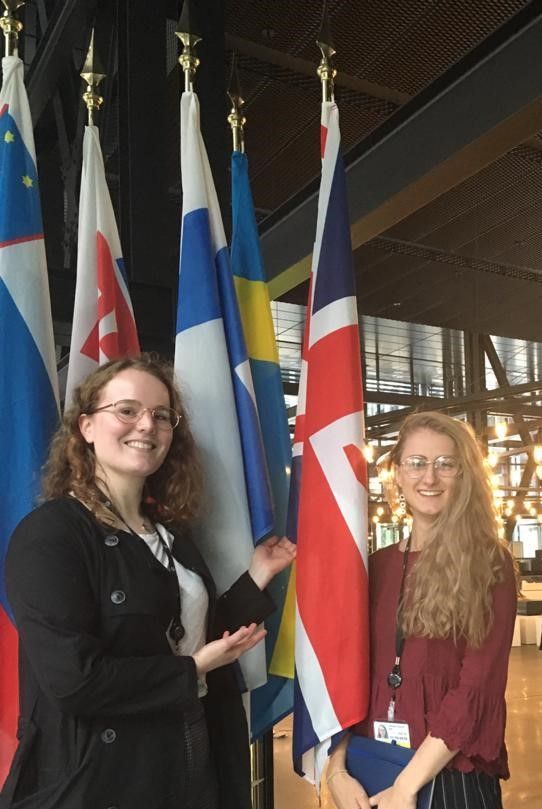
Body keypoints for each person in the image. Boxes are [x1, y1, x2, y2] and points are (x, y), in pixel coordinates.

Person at [1, 355, 296, 809]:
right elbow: (75, 681)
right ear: (86, 427)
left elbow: (186, 636)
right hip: (100, 783)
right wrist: (192, 670)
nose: (147, 425)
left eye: (161, 416)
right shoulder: (50, 535)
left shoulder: (171, 534)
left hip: (193, 762)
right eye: (127, 410)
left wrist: (257, 576)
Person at [326, 412, 517, 809]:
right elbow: (346, 674)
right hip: (368, 772)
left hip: (449, 777)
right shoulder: (373, 567)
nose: (428, 478)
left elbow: (476, 689)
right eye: (416, 463)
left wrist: (406, 785)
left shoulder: (487, 564)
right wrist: (336, 769)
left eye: (445, 464)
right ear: (396, 473)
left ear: (464, 476)